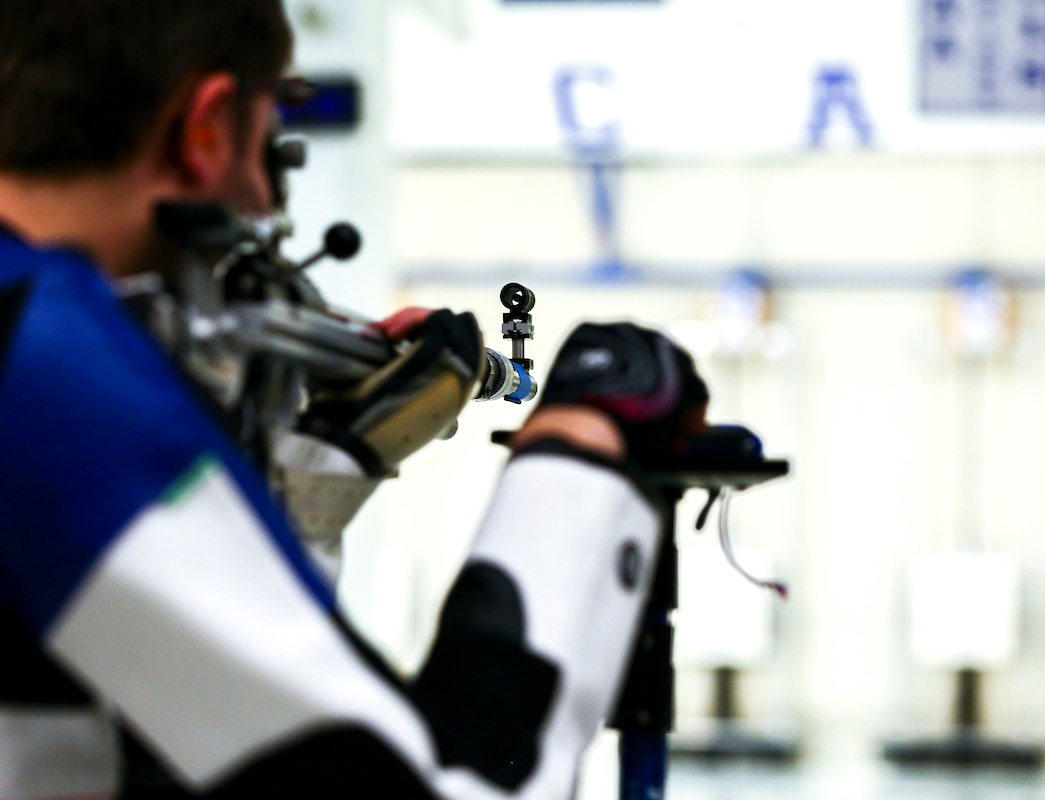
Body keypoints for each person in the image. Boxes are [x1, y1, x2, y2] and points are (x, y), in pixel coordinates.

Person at [0, 2, 708, 799]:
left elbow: (158, 711)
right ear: (203, 131)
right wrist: (583, 444)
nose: (263, 202)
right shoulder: (47, 372)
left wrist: (330, 458)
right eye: (267, 146)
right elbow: (442, 787)